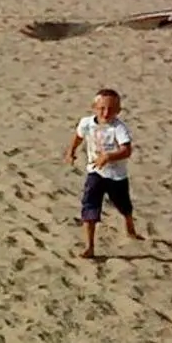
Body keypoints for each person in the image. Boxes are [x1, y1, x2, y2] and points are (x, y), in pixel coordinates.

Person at [66, 88, 142, 259]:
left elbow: (127, 150)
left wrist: (108, 156)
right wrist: (71, 151)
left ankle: (129, 224)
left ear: (118, 111)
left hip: (116, 176)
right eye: (102, 108)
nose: (106, 113)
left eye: (111, 109)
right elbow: (78, 136)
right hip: (95, 172)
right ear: (94, 107)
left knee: (123, 205)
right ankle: (89, 246)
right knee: (90, 206)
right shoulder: (86, 123)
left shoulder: (119, 128)